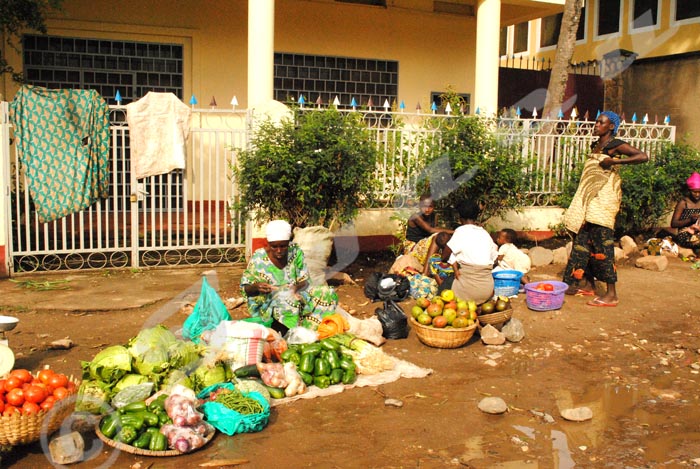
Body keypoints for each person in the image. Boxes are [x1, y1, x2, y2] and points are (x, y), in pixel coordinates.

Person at [562, 111, 649, 307]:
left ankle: (611, 294)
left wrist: (615, 161)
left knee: (603, 245)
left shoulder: (615, 144)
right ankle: (588, 284)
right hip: (590, 201)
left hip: (602, 201)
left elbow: (643, 156)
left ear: (611, 126)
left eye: (601, 123)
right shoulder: (597, 145)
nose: (596, 125)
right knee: (583, 241)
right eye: (596, 122)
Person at [240, 220, 338, 331]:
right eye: (274, 247)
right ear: (268, 243)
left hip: (295, 293)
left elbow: (305, 281)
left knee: (327, 293)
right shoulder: (258, 257)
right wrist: (256, 287)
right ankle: (289, 335)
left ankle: (316, 330)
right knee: (288, 301)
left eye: (283, 246)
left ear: (288, 243)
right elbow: (246, 289)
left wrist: (295, 288)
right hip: (268, 300)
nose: (279, 251)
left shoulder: (296, 252)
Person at [440, 199, 498, 304]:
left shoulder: (460, 231)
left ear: (460, 218)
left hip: (467, 291)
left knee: (443, 287)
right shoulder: (485, 233)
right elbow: (496, 260)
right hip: (487, 290)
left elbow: (444, 256)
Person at [669, 171, 700, 253]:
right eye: (694, 192)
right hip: (684, 234)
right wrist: (690, 220)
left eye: (699, 192)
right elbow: (673, 224)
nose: (697, 194)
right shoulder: (683, 203)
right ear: (689, 190)